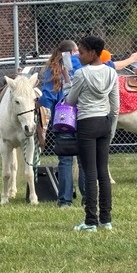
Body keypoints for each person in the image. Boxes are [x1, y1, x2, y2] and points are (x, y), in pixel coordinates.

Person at [65, 36, 119, 232]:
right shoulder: (112, 73)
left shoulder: (81, 74)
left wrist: (68, 87)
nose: (78, 55)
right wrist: (110, 129)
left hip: (86, 123)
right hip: (104, 122)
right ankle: (106, 219)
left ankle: (90, 221)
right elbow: (115, 107)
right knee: (103, 172)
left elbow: (70, 101)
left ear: (93, 53)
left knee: (90, 172)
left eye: (81, 52)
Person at [38, 40, 85, 208]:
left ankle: (65, 200)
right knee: (83, 160)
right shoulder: (83, 65)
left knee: (65, 161)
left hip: (63, 119)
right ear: (74, 51)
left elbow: (46, 99)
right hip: (83, 117)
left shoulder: (53, 69)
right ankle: (87, 198)